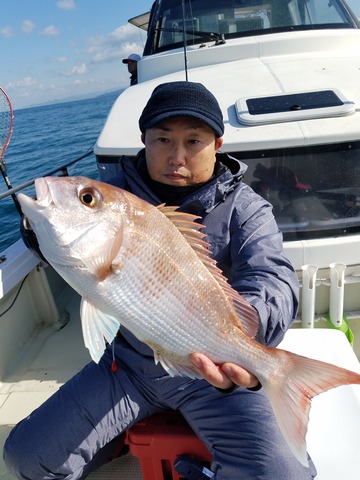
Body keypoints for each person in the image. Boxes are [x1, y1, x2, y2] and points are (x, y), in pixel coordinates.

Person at [3, 81, 317, 479]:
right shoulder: (113, 195)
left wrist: (248, 335)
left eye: (194, 141)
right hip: (129, 368)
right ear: (144, 140)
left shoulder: (247, 209)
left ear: (217, 144)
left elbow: (273, 277)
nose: (177, 156)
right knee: (25, 458)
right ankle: (116, 436)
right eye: (163, 139)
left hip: (215, 374)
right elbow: (74, 251)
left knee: (285, 474)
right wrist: (39, 231)